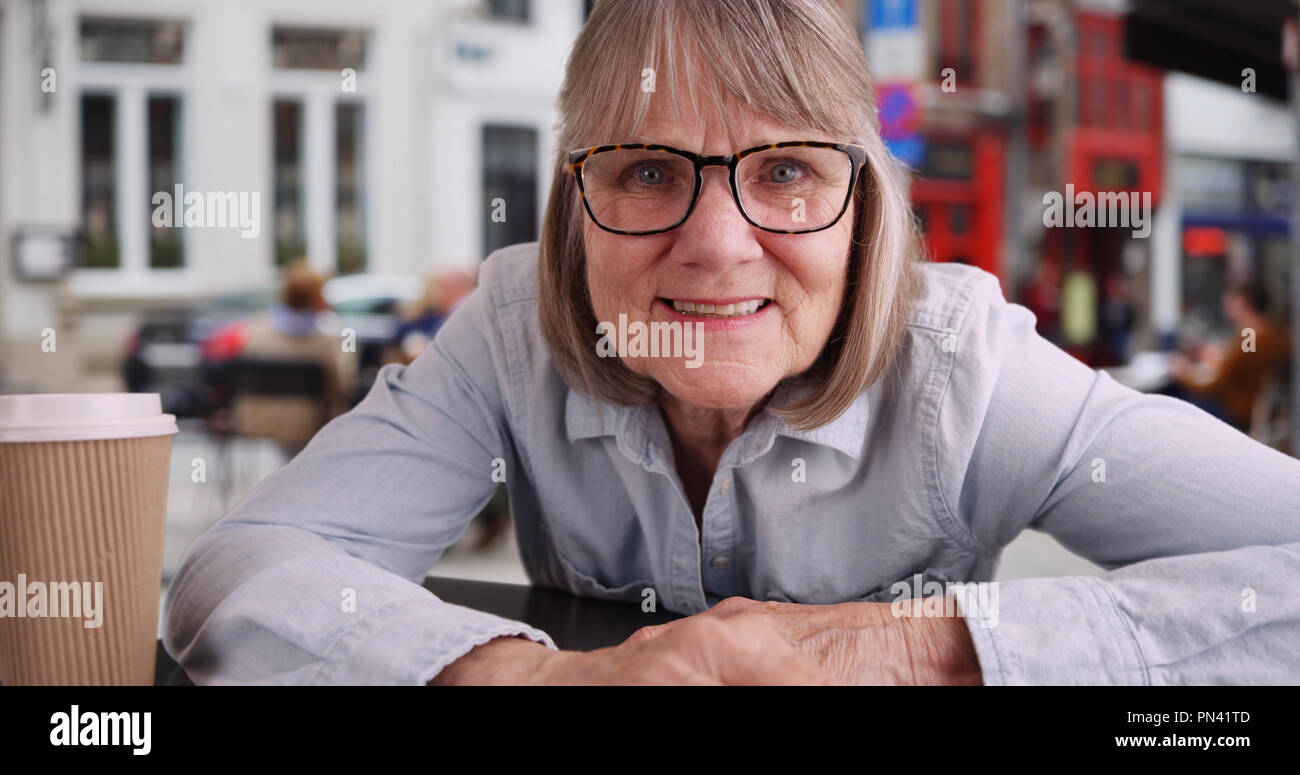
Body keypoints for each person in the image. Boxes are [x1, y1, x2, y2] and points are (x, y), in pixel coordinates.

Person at [165, 0, 1300, 686]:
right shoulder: (510, 332)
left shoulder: (969, 370)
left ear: (868, 208)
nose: (716, 246)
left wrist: (901, 650)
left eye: (789, 170)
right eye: (650, 170)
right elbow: (236, 570)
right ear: (573, 204)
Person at [229, 260, 356, 457]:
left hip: (261, 419)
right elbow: (341, 387)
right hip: (308, 423)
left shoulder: (255, 333)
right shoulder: (323, 343)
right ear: (316, 299)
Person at [1169, 279, 1291, 433]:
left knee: (1178, 406)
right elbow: (1245, 365)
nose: (1225, 303)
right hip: (1251, 410)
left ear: (1243, 301)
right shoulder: (1269, 333)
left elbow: (1216, 385)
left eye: (1231, 298)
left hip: (1238, 413)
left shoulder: (1251, 335)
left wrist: (1184, 374)